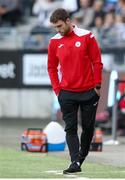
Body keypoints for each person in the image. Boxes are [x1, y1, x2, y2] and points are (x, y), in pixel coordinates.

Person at [47, 8, 103, 174]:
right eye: (55, 27)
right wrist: (58, 90)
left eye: (59, 26)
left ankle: (81, 157)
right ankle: (74, 162)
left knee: (87, 128)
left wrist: (97, 86)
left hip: (88, 92)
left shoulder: (87, 36)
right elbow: (51, 67)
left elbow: (97, 62)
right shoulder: (54, 41)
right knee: (70, 128)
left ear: (68, 21)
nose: (58, 30)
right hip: (67, 93)